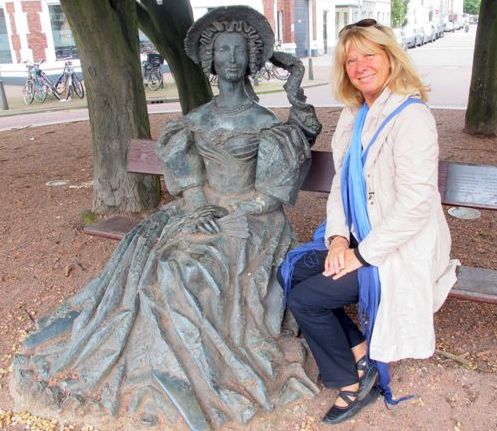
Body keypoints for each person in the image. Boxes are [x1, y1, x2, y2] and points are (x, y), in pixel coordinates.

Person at [12, 7, 322, 430]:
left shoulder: (266, 123)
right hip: (200, 211)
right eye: (223, 50)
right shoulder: (196, 120)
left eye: (238, 50)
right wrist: (196, 206)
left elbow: (269, 196)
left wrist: (230, 212)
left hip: (251, 221)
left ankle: (191, 368)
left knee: (186, 270)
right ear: (211, 59)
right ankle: (155, 358)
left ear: (251, 58)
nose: (231, 58)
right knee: (144, 250)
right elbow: (188, 178)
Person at [278, 18, 459, 425]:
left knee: (305, 299)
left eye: (369, 55)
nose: (360, 66)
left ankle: (351, 381)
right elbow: (342, 186)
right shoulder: (355, 114)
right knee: (290, 271)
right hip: (360, 238)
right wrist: (339, 240)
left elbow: (415, 206)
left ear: (390, 58)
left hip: (398, 250)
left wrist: (360, 255)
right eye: (350, 60)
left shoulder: (412, 117)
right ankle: (360, 352)